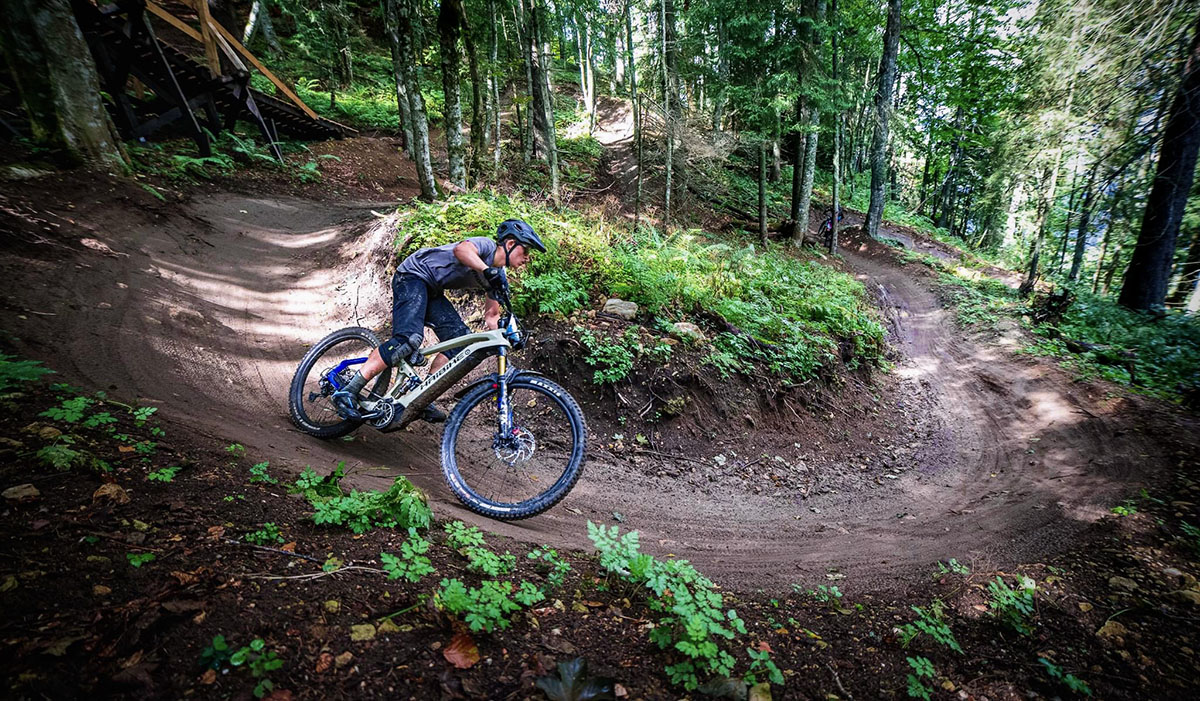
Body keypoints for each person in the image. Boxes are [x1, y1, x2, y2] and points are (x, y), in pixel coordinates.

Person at [331, 219, 546, 422]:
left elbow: (492, 316)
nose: (527, 257)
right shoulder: (487, 247)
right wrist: (486, 270)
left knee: (462, 344)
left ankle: (420, 397)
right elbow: (461, 250)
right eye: (525, 250)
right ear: (509, 244)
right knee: (408, 339)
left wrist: (505, 341)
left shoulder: (498, 277)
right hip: (412, 276)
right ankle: (348, 390)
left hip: (432, 290)